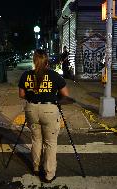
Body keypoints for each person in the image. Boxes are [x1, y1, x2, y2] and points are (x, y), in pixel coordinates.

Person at [18, 49, 69, 183]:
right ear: (47, 61)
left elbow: (22, 95)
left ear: (34, 61)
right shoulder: (54, 75)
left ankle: (36, 167)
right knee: (50, 143)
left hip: (32, 109)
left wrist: (33, 95)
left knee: (36, 140)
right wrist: (55, 98)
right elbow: (65, 93)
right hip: (49, 109)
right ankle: (49, 174)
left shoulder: (26, 75)